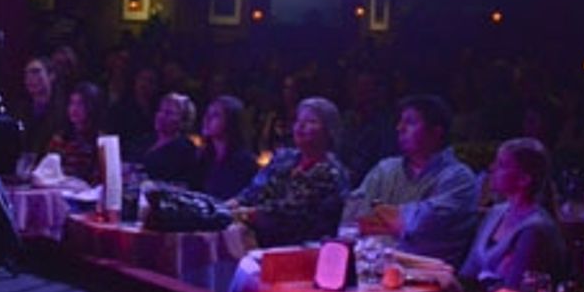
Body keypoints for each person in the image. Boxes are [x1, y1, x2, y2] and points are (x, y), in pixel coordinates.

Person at [353, 95, 481, 267]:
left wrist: (380, 216)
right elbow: (354, 217)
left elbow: (419, 228)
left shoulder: (459, 179)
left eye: (410, 122)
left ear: (436, 132)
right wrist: (393, 224)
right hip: (371, 269)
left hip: (427, 280)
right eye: (400, 122)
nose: (400, 128)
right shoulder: (385, 169)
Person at [231, 97, 350, 248]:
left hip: (304, 248)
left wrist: (243, 214)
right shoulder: (284, 158)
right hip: (262, 238)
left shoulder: (331, 172)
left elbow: (287, 214)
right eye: (298, 120)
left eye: (311, 122)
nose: (301, 126)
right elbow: (254, 191)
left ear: (328, 131)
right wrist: (230, 205)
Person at [460, 138, 566, 292]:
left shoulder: (534, 230)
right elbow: (468, 272)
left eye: (501, 165)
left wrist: (487, 279)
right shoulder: (495, 213)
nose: (492, 168)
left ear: (524, 179)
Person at [196, 95, 259, 200]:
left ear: (231, 122)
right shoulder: (204, 157)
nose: (207, 119)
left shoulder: (245, 162)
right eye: (207, 114)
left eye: (215, 115)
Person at [47, 81, 104, 184]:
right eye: (72, 103)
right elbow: (48, 170)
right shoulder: (60, 138)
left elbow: (100, 177)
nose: (74, 109)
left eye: (80, 104)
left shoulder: (100, 141)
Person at [143, 92, 200, 186]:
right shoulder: (145, 140)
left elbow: (182, 183)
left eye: (169, 113)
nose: (161, 115)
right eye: (160, 110)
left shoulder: (185, 149)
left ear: (183, 121)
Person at [17, 56, 64, 154]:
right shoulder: (20, 111)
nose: (30, 78)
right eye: (27, 73)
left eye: (36, 72)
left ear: (51, 75)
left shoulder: (64, 111)